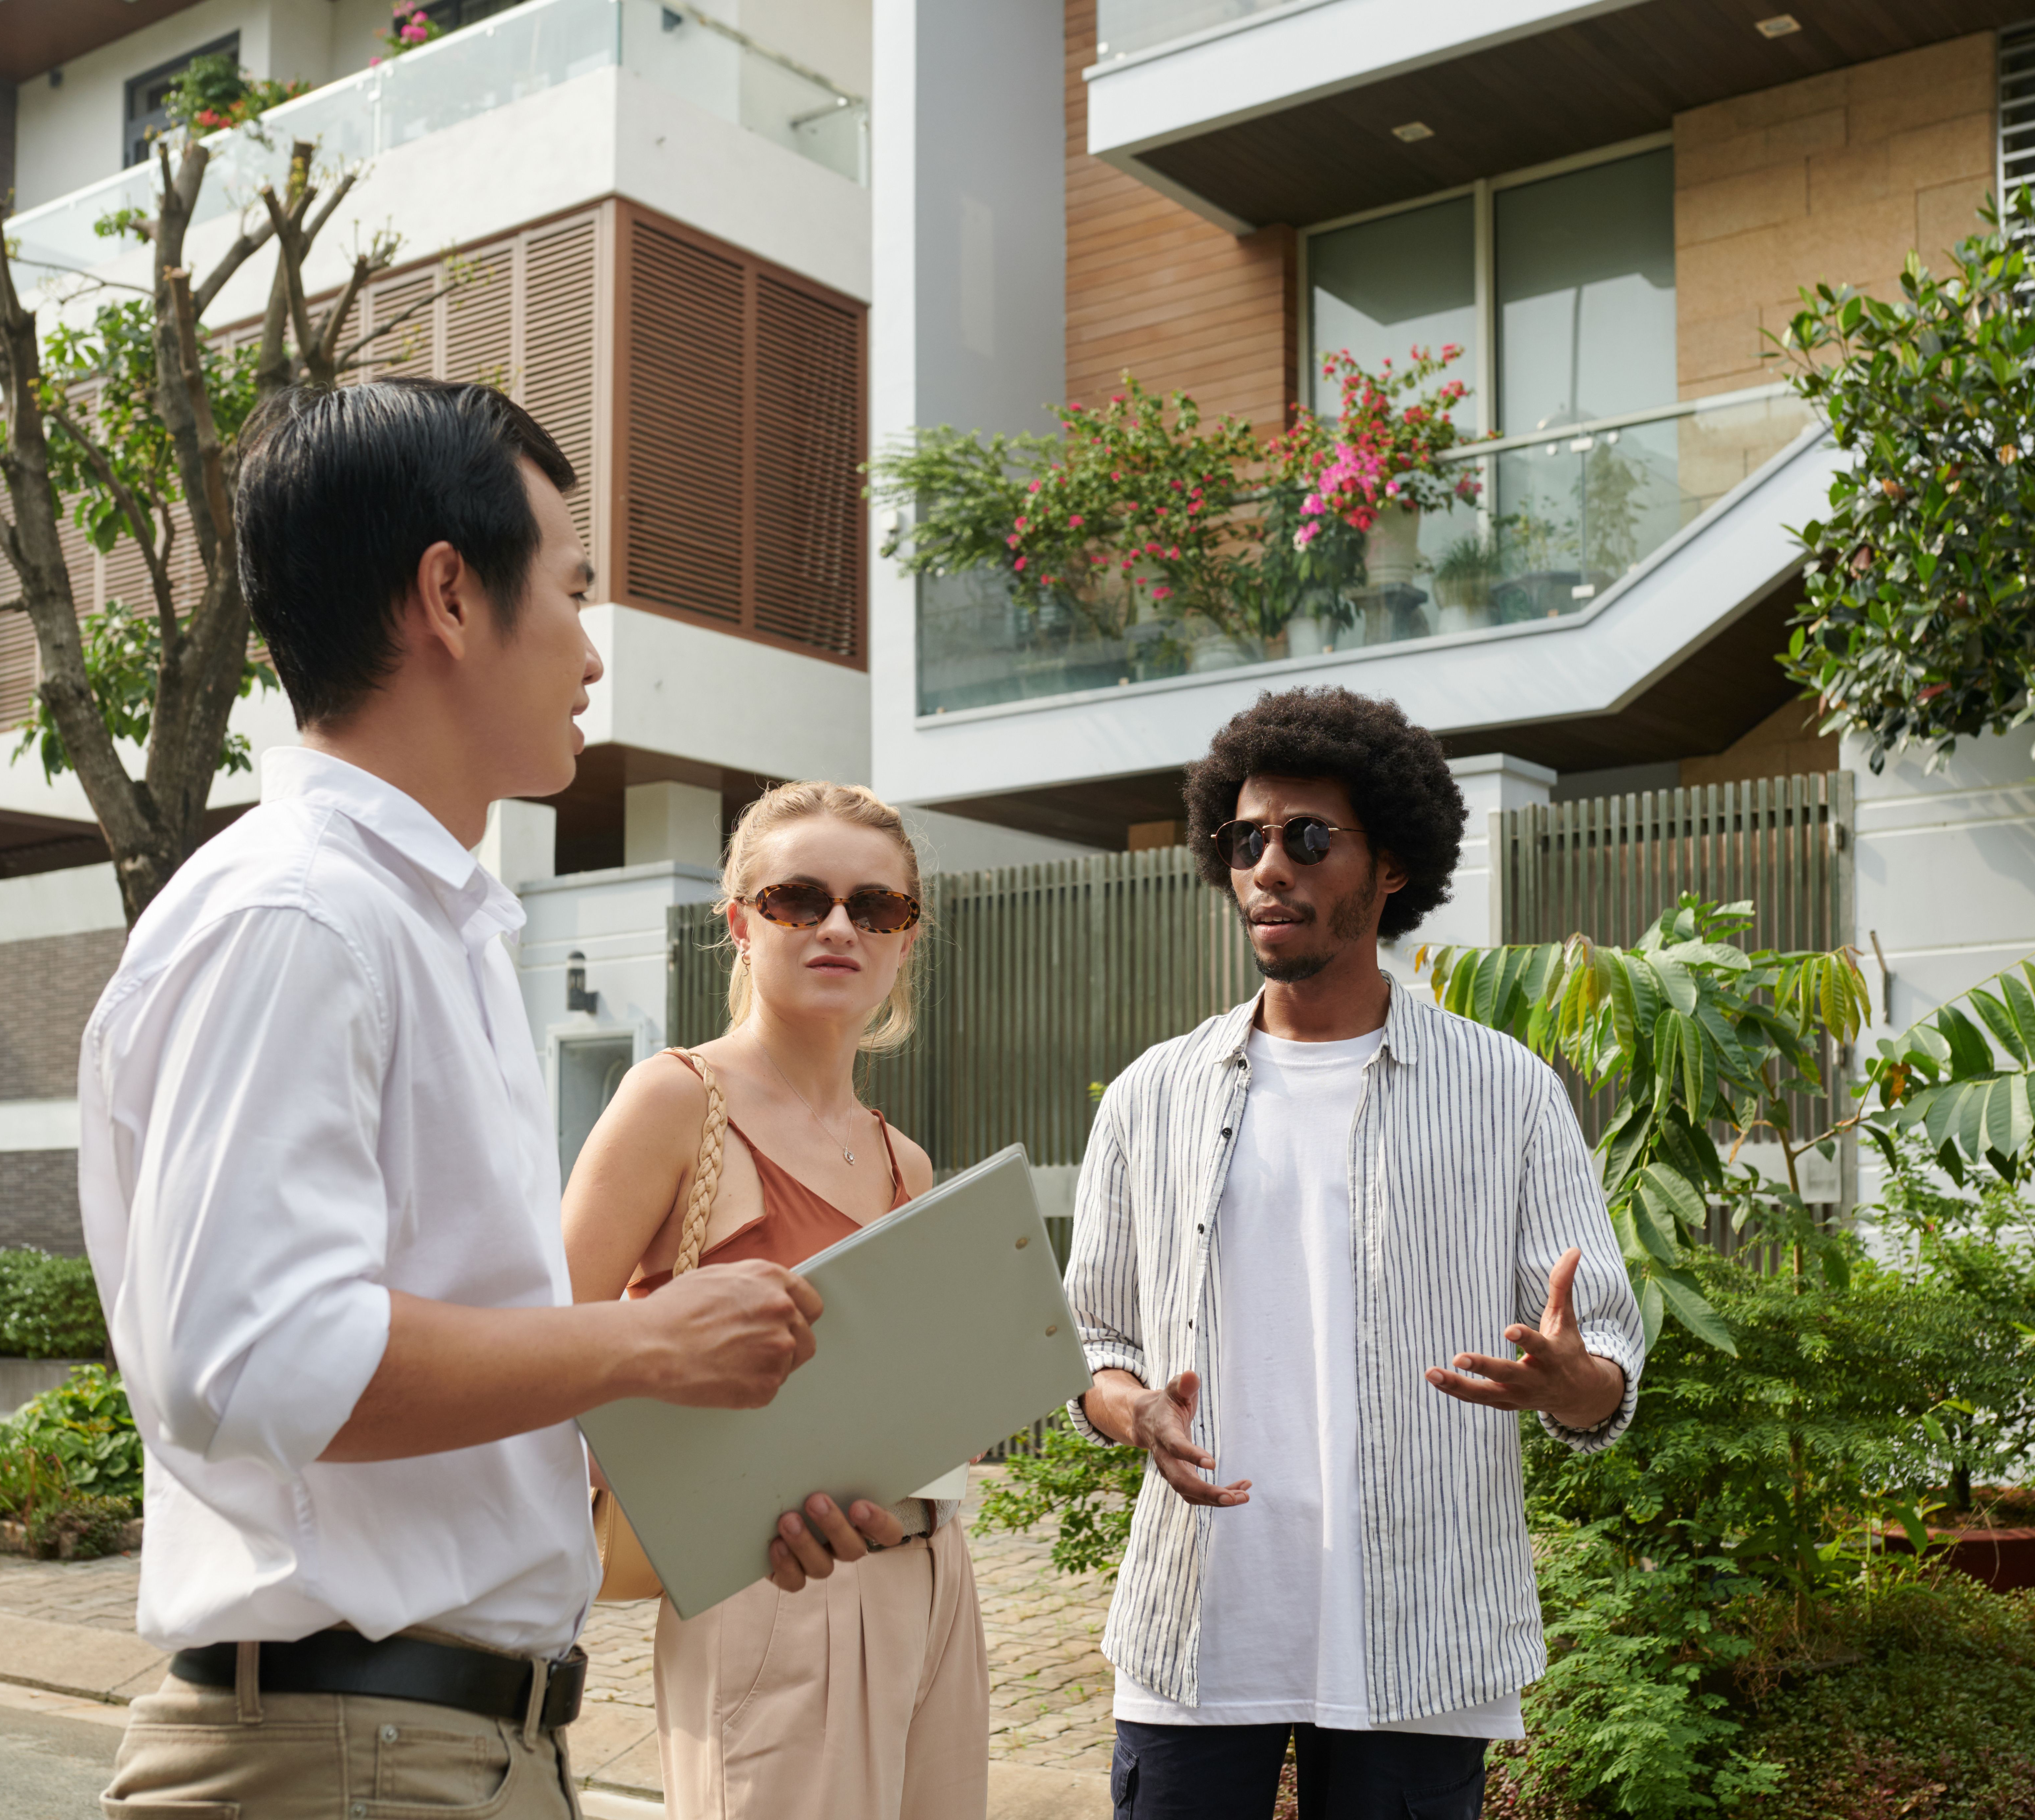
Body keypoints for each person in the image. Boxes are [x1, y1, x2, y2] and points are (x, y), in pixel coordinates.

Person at [79, 378, 904, 1820]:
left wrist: (728, 1472)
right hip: (353, 1753)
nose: (593, 652)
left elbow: (453, 1415)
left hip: (436, 1744)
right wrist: (641, 1340)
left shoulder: (420, 924)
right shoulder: (304, 916)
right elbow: (256, 1360)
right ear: (449, 595)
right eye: (576, 591)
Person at [1065, 686, 1647, 1820]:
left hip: (1421, 1640)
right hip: (1196, 1636)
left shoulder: (1507, 1092)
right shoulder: (1154, 1096)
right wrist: (1131, 1410)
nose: (1268, 866)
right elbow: (1093, 1342)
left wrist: (1575, 1385)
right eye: (1246, 840)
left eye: (1307, 837)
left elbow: (1605, 1361)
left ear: (1389, 868)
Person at [561, 780, 991, 1820]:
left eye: (876, 907)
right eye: (801, 898)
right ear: (741, 923)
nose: (840, 926)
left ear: (904, 940)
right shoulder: (674, 1100)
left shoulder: (907, 1162)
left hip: (935, 1576)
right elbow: (547, 1349)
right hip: (770, 1586)